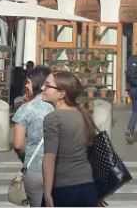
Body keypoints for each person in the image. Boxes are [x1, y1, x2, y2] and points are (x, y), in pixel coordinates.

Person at [40, 71, 99, 207]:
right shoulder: (83, 115)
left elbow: (49, 157)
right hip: (88, 186)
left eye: (48, 86)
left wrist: (47, 193)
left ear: (61, 94)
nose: (43, 88)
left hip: (63, 188)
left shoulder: (53, 118)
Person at [11, 66, 54, 207]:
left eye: (28, 82)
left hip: (35, 170)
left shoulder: (25, 109)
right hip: (58, 170)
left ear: (37, 83)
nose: (26, 86)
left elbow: (17, 144)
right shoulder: (59, 107)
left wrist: (25, 157)